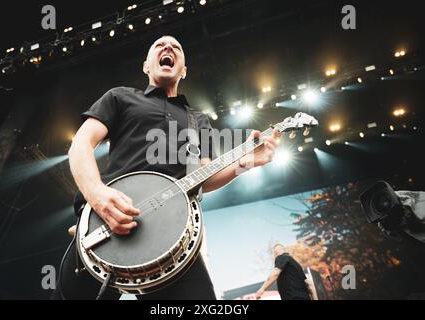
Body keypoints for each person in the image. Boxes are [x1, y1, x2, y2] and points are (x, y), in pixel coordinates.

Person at [51, 35, 279, 300]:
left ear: (183, 70)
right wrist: (97, 196)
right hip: (107, 222)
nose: (168, 47)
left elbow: (203, 176)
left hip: (171, 235)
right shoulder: (120, 97)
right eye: (159, 45)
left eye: (177, 47)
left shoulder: (198, 120)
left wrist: (248, 161)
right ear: (146, 66)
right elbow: (80, 144)